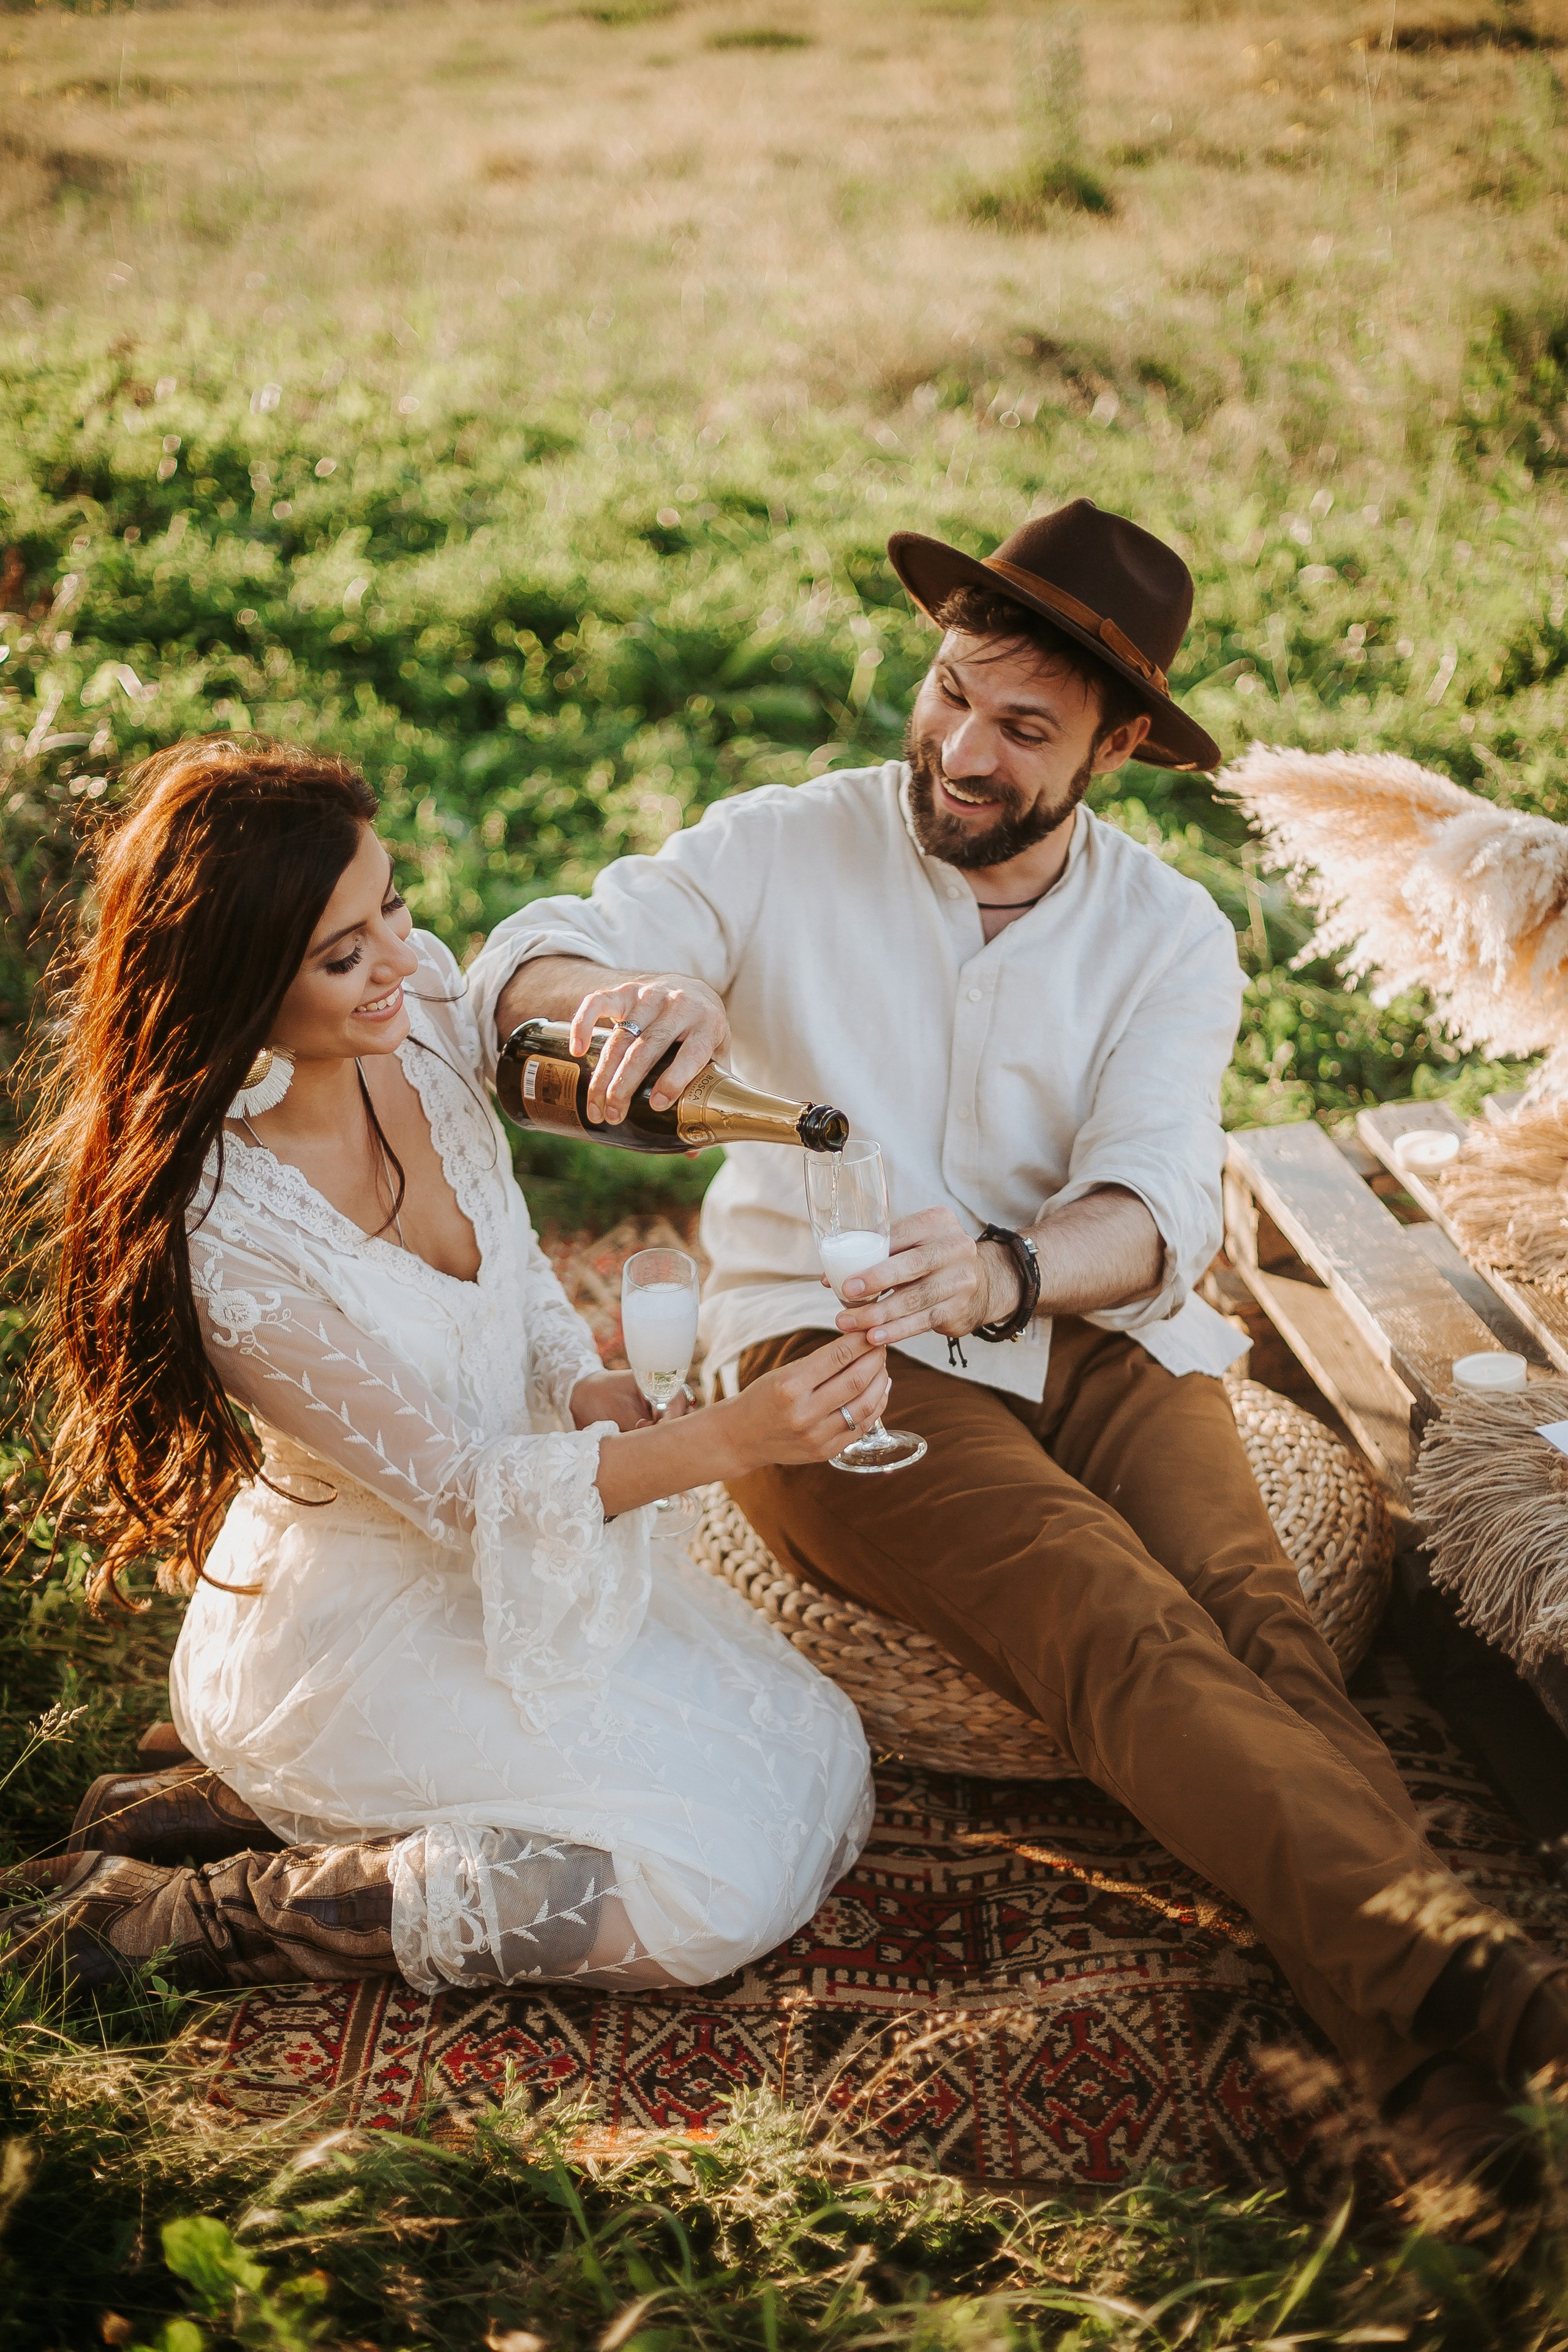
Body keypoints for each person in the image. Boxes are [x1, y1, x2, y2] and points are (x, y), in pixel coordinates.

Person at [464, 497, 1568, 2189]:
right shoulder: (783, 845)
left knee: (1266, 1623)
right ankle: (1480, 1999)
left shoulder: (1167, 935)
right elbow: (528, 966)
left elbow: (1156, 1210)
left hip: (1089, 1331)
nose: (962, 750)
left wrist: (997, 1271)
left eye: (1024, 728)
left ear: (1119, 744)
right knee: (1111, 1618)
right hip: (832, 1367)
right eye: (951, 693)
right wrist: (602, 1000)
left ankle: (1414, 2076)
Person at [1, 739, 879, 1996]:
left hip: (526, 1546)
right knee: (706, 1891)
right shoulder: (224, 1236)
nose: (406, 965)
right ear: (243, 991)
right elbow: (466, 1497)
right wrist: (734, 1439)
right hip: (369, 1617)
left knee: (808, 1750)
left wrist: (582, 1387)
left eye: (393, 903)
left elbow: (514, 1276)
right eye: (343, 954)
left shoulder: (415, 1033)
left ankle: (211, 1810)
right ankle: (210, 1914)